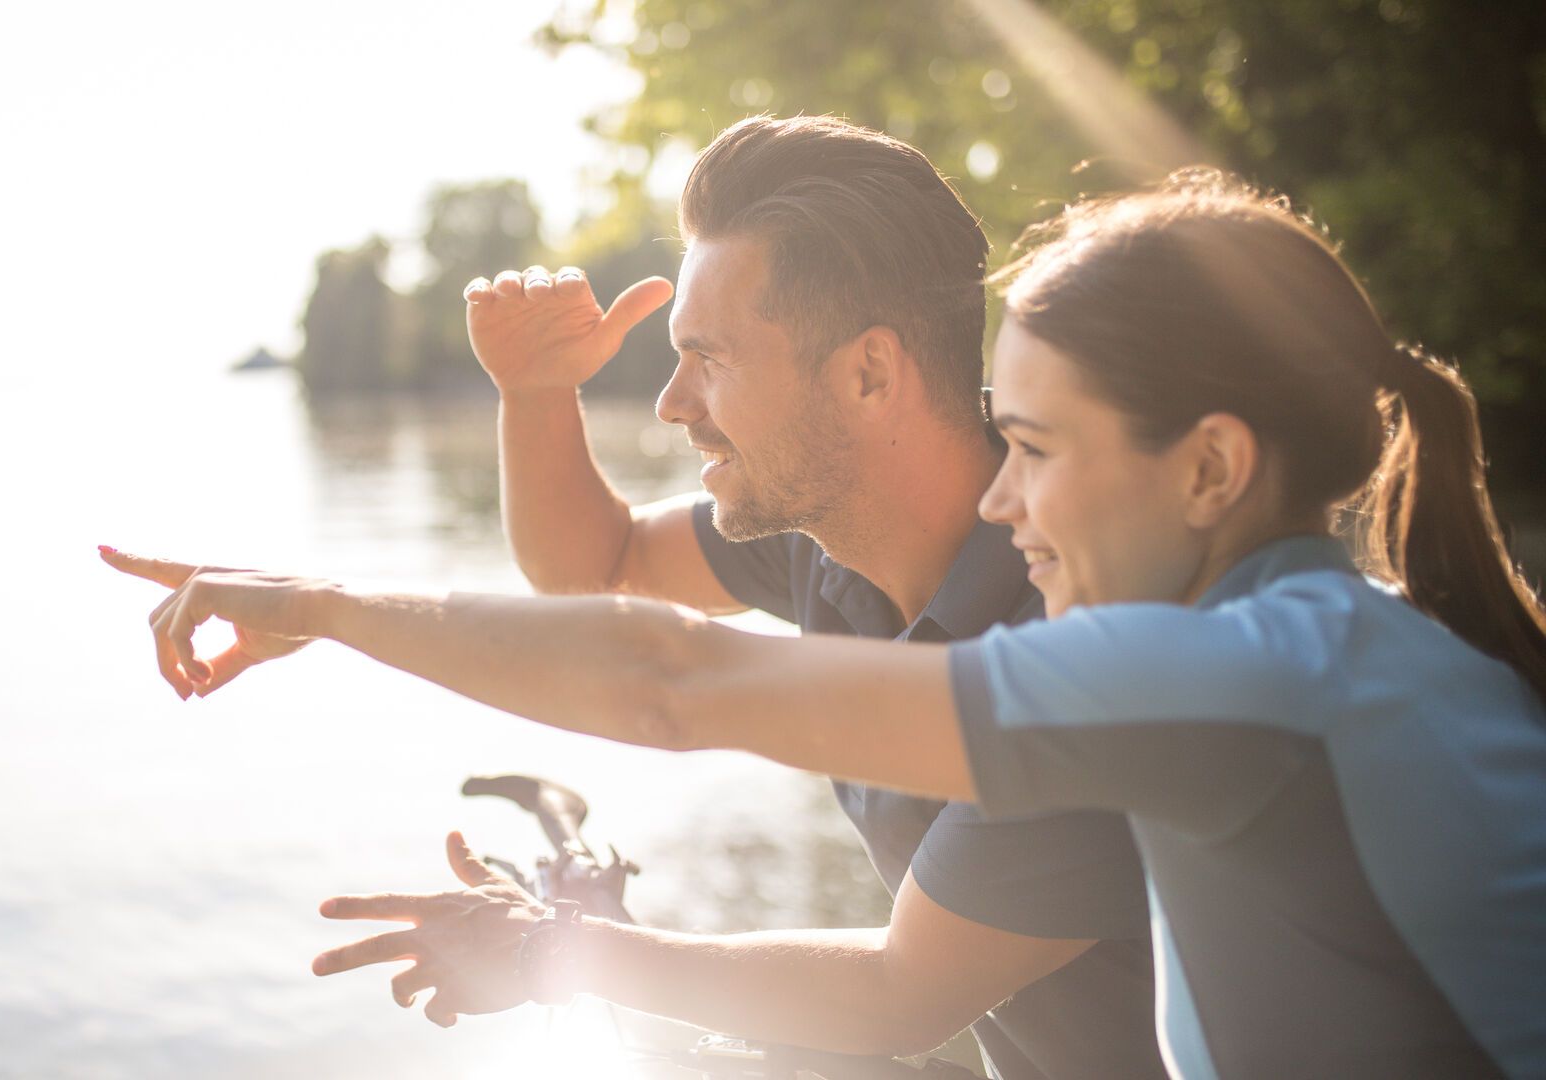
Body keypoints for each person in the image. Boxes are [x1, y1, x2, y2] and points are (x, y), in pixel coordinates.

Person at [100, 173, 1546, 1077]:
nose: (1002, 503)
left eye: (1034, 450)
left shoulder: (1212, 674)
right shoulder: (1310, 634)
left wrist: (324, 606)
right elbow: (610, 584)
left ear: (1214, 469)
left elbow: (672, 687)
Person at [116, 116, 1166, 1078]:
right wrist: (536, 394)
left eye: (707, 362)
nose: (671, 406)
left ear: (869, 375)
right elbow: (599, 566)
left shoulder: (1077, 615)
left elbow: (898, 995)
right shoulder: (827, 535)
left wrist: (548, 950)